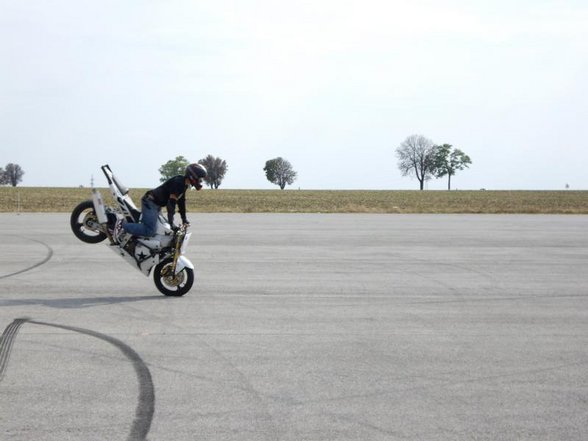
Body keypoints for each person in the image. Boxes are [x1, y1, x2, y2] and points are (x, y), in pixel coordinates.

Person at [115, 163, 207, 240]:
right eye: (199, 179)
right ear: (192, 176)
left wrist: (184, 219)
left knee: (161, 230)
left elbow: (181, 202)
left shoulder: (184, 185)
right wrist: (171, 223)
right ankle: (122, 225)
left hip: (156, 205)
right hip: (150, 202)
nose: (200, 181)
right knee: (149, 230)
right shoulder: (178, 182)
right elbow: (171, 205)